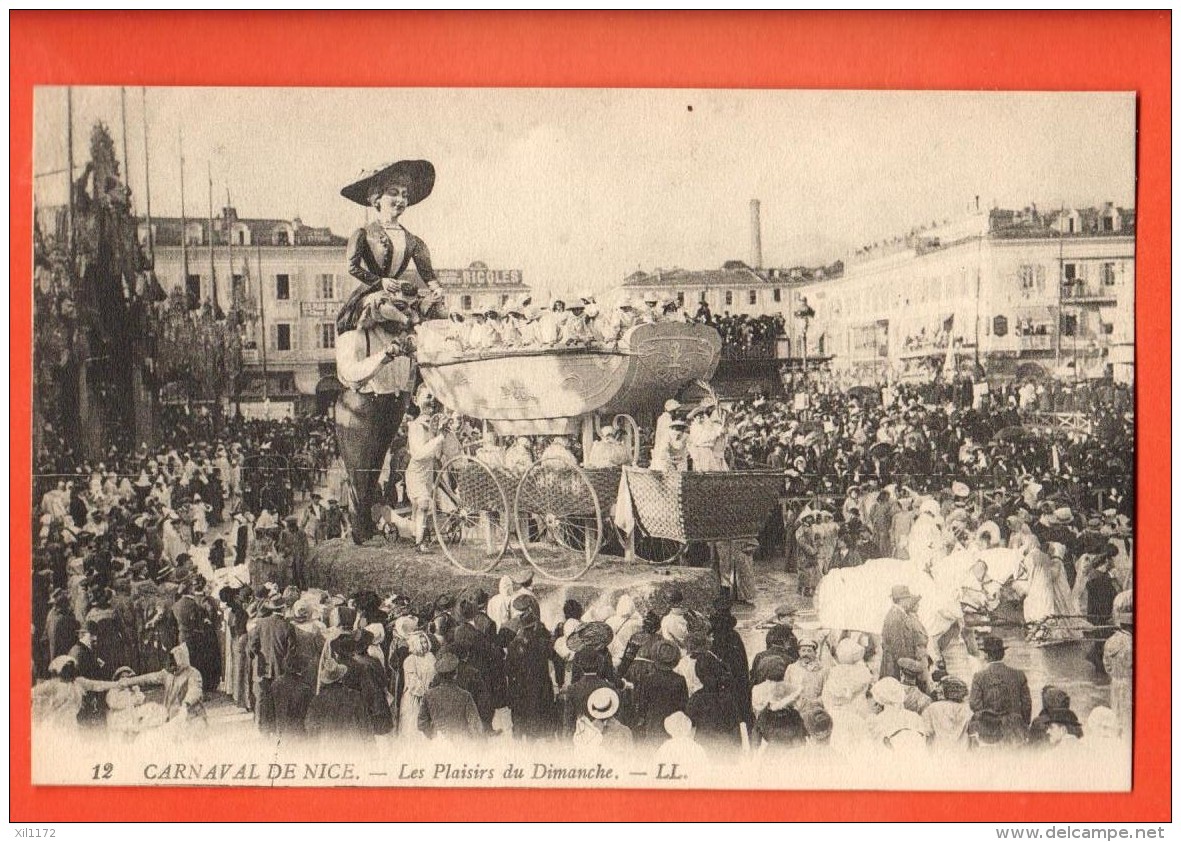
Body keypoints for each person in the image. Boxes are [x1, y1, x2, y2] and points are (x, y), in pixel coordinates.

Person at [967, 634, 1031, 746]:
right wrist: (1024, 724)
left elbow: (974, 704)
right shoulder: (1019, 675)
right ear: (1003, 654)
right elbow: (1026, 704)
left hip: (989, 731)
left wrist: (988, 719)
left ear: (987, 655)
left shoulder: (979, 676)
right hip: (1015, 729)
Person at [404, 397, 447, 553]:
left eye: (432, 397)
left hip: (427, 474)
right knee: (423, 504)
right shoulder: (414, 426)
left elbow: (436, 455)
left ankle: (416, 534)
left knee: (420, 508)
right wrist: (439, 439)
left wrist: (441, 435)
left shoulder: (432, 428)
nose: (431, 400)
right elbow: (418, 454)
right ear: (416, 400)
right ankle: (420, 543)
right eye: (427, 396)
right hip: (415, 472)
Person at [632, 639, 689, 744]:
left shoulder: (648, 679)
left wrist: (642, 717)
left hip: (653, 720)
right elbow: (684, 703)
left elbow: (642, 703)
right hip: (674, 721)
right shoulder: (679, 680)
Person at [417, 652, 484, 741]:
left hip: (438, 743)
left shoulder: (428, 695)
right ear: (455, 675)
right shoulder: (465, 696)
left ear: (439, 676)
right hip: (461, 742)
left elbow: (421, 723)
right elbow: (475, 725)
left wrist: (434, 736)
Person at [305, 658, 373, 744]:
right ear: (341, 678)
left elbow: (310, 726)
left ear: (326, 681)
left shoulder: (318, 700)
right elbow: (366, 727)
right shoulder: (355, 696)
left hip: (328, 748)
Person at [880, 585, 928, 687]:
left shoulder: (899, 614)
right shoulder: (895, 616)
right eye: (908, 598)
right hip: (895, 669)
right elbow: (898, 649)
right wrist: (909, 667)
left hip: (897, 666)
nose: (909, 601)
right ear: (901, 600)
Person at [1102, 591, 1133, 739]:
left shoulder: (1111, 641)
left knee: (1117, 717)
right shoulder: (1133, 643)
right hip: (1130, 685)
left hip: (1115, 683)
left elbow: (1107, 666)